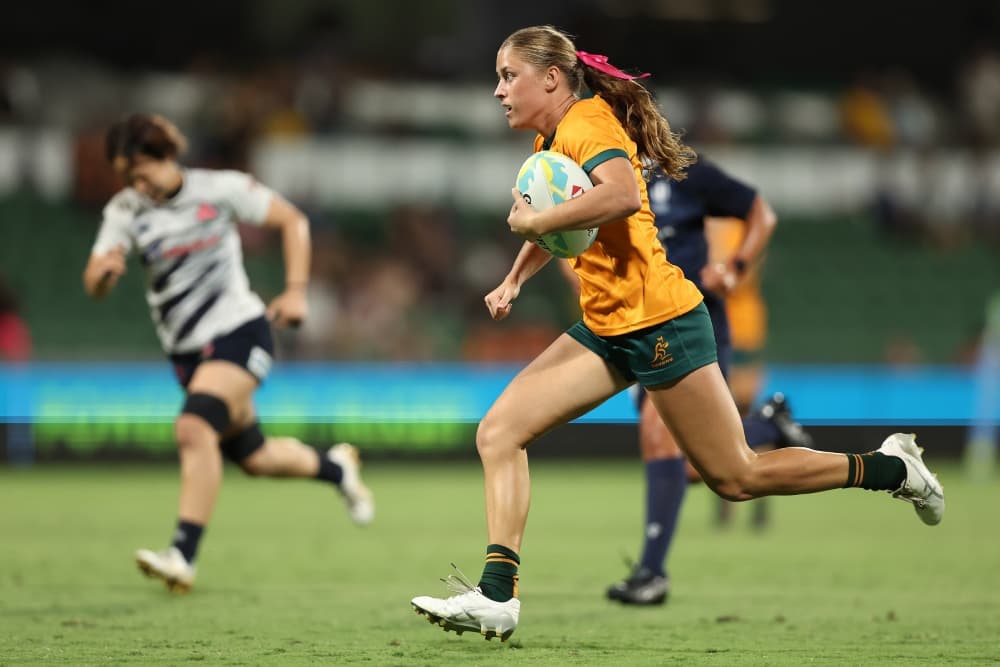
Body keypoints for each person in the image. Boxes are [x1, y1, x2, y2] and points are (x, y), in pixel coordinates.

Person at [410, 25, 943, 642]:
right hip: (608, 327)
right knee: (500, 432)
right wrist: (516, 278)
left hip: (662, 322)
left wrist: (535, 219)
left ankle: (890, 468)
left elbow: (618, 194)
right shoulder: (549, 137)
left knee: (737, 477)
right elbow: (564, 225)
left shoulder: (589, 124)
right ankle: (498, 596)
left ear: (550, 78)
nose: (498, 90)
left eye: (509, 76)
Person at [82, 113, 374, 593]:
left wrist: (297, 291)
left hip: (241, 330)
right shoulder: (125, 210)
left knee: (194, 427)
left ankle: (183, 554)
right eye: (127, 178)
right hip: (188, 353)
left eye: (142, 172)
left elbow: (292, 220)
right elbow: (94, 280)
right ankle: (337, 469)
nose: (137, 185)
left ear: (166, 156)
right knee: (255, 458)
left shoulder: (219, 189)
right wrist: (104, 274)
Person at [587, 159, 814, 606]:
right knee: (693, 466)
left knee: (660, 438)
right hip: (635, 323)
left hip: (691, 323)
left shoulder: (684, 171)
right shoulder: (604, 172)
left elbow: (760, 212)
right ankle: (768, 426)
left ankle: (651, 573)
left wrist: (735, 267)